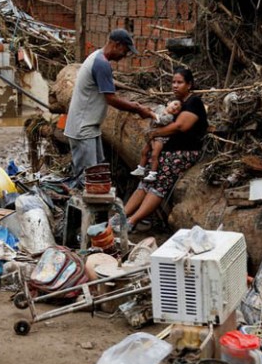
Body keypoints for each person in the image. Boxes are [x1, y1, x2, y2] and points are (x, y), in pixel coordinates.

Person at [113, 67, 208, 232]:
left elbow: (181, 126)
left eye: (180, 82)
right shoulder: (177, 104)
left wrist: (155, 133)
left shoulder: (194, 102)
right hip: (167, 152)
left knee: (159, 184)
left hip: (183, 153)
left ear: (189, 84)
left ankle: (131, 222)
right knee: (145, 182)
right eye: (173, 82)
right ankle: (120, 217)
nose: (175, 85)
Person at [63, 28, 152, 184]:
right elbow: (111, 99)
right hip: (83, 129)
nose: (125, 55)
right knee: (89, 179)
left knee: (97, 172)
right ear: (117, 45)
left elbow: (106, 89)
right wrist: (137, 108)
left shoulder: (97, 57)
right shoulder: (101, 64)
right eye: (126, 50)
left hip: (89, 127)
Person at [130, 99, 183, 182]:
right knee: (144, 151)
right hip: (151, 134)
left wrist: (151, 114)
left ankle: (153, 173)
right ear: (169, 103)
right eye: (175, 104)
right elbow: (150, 110)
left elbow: (161, 120)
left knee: (155, 154)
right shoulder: (160, 107)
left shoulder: (170, 117)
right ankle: (141, 168)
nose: (175, 108)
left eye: (177, 109)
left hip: (160, 138)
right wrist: (143, 109)